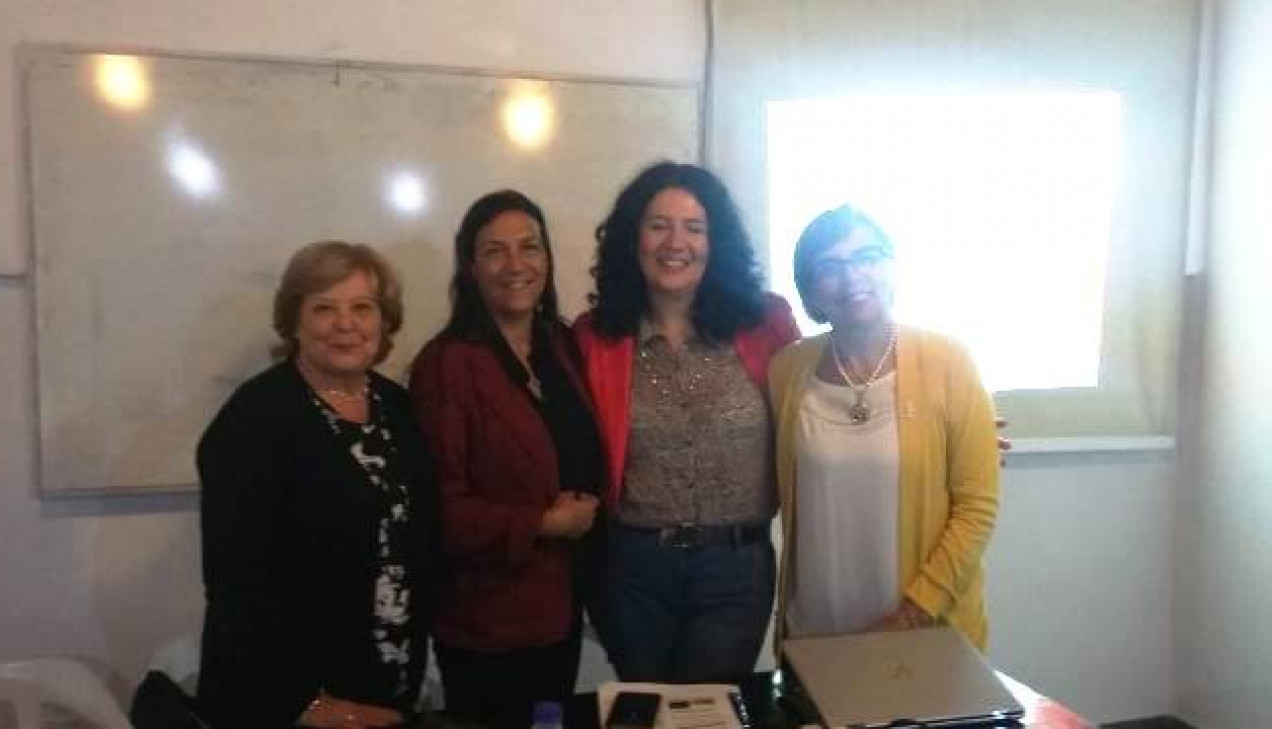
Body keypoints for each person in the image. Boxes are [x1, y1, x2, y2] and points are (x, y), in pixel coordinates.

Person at [574, 162, 800, 683]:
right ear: (633, 237)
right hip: (631, 568)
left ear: (714, 241)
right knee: (647, 709)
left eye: (694, 228)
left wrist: (923, 426)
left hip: (735, 568)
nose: (676, 242)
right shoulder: (594, 337)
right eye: (658, 225)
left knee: (707, 711)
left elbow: (821, 398)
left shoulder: (766, 322)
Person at [196, 241, 436, 728]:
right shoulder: (256, 418)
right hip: (292, 699)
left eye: (362, 307)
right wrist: (302, 702)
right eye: (324, 308)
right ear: (294, 322)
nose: (345, 324)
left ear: (384, 321)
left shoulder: (398, 406)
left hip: (387, 679)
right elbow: (236, 581)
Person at [409, 190, 604, 729]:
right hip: (485, 622)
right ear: (470, 267)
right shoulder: (446, 366)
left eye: (530, 247)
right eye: (495, 251)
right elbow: (439, 510)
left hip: (560, 609)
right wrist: (544, 522)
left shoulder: (561, 346)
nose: (516, 265)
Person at [768, 205, 999, 651]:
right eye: (830, 267)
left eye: (868, 257)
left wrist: (911, 615)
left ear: (892, 267)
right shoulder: (786, 371)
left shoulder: (948, 361)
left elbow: (977, 507)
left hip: (925, 631)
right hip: (815, 634)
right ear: (810, 292)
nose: (853, 276)